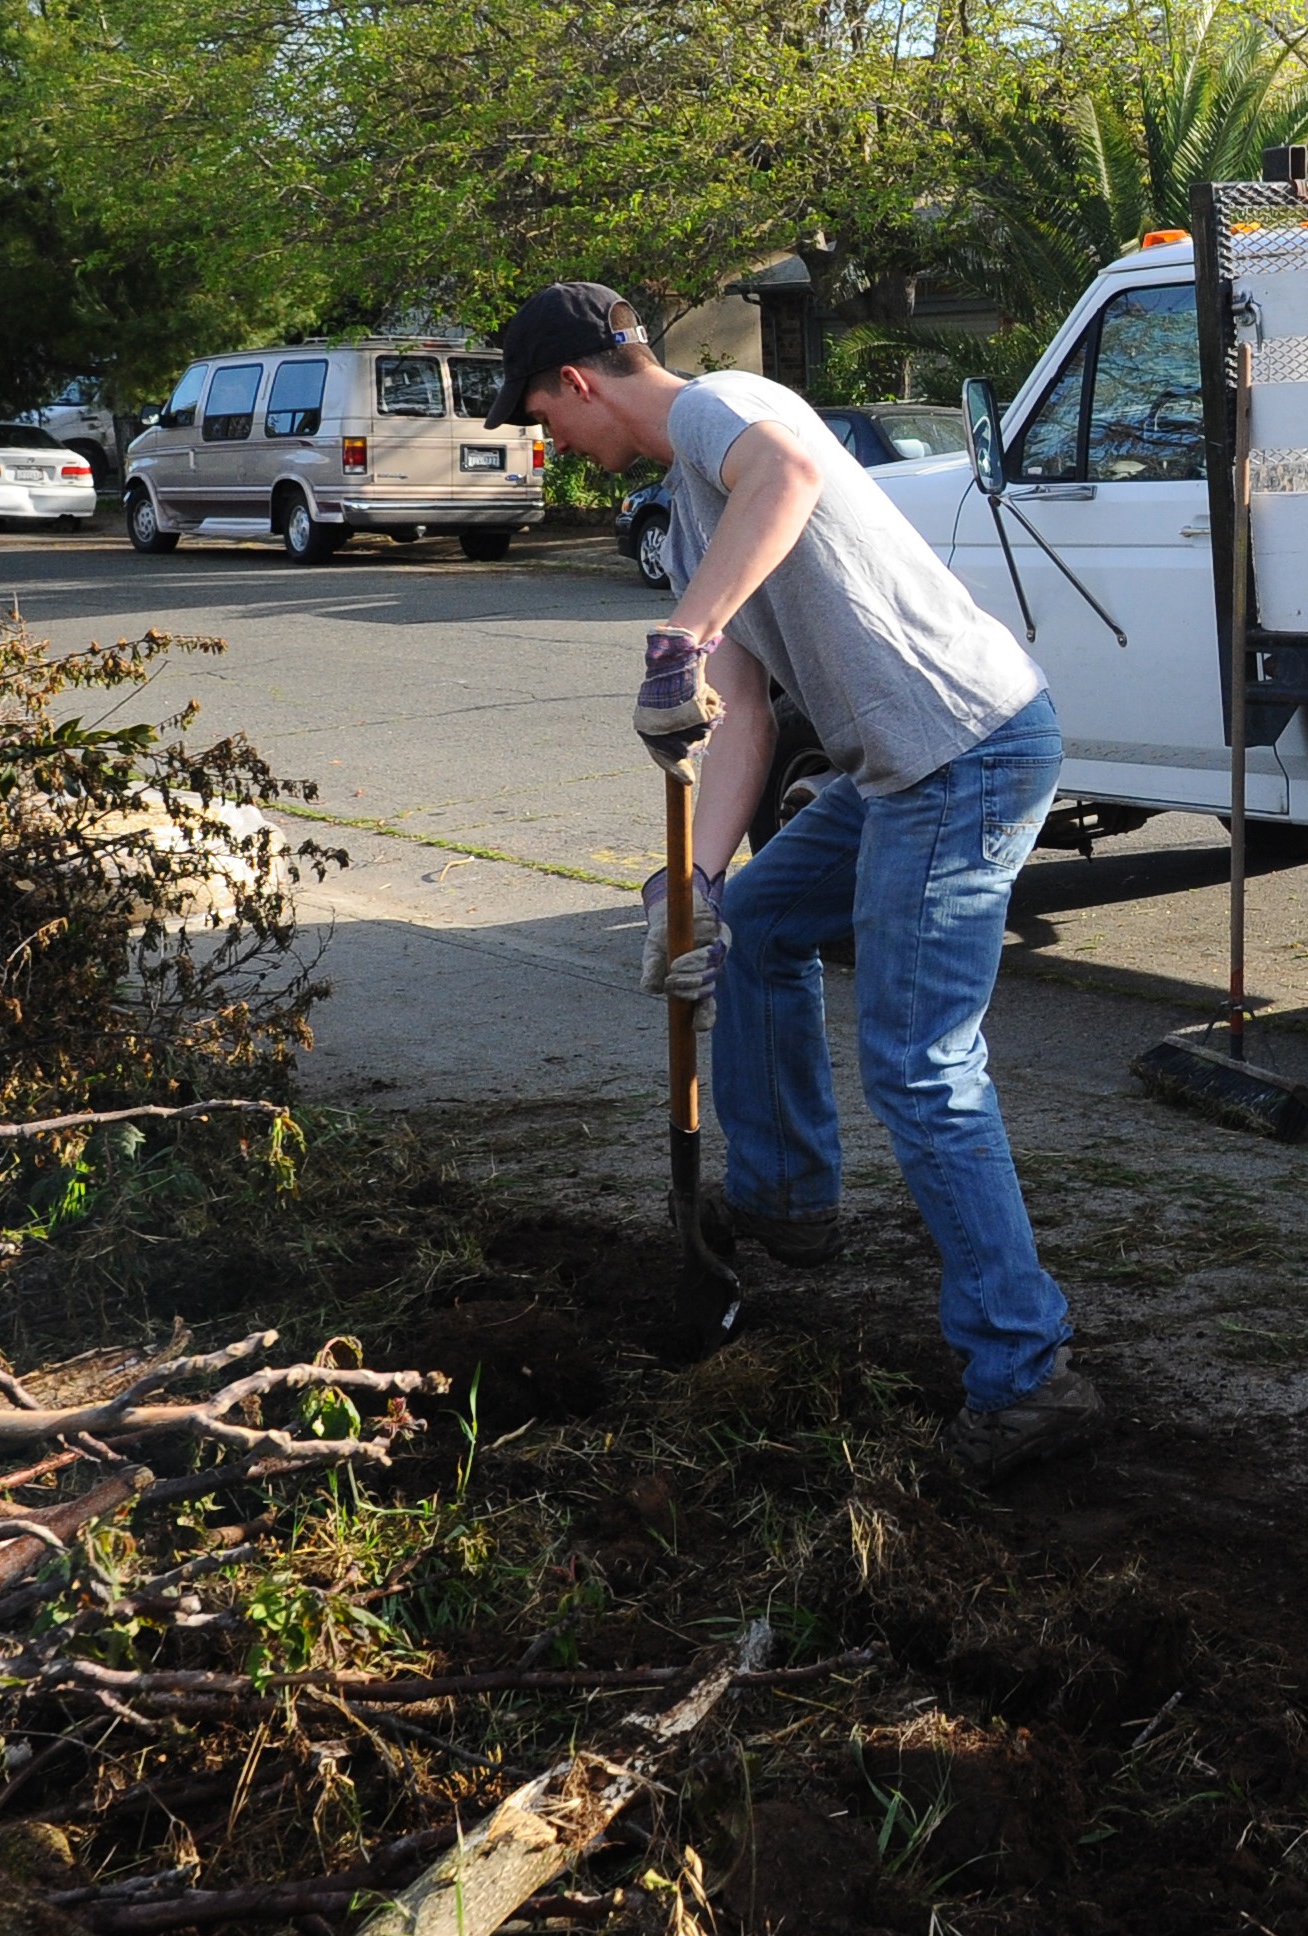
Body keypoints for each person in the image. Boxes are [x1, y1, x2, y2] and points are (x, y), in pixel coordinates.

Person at [483, 281, 1103, 1484]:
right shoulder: (682, 502)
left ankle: (1029, 1377)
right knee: (757, 925)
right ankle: (784, 1202)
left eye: (548, 423)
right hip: (899, 768)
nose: (558, 449)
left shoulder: (725, 408)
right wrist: (694, 883)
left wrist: (683, 637)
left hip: (964, 751)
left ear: (576, 382)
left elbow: (790, 479)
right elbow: (752, 717)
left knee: (921, 1065)